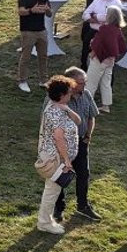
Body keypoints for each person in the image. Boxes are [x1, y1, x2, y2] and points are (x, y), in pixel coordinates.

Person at [53, 68, 102, 223]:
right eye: (81, 82)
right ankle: (58, 208)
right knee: (60, 175)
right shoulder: (57, 98)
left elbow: (91, 116)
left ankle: (82, 205)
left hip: (81, 142)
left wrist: (88, 135)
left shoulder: (86, 94)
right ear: (71, 83)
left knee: (83, 174)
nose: (84, 85)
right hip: (63, 144)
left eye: (85, 82)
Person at [34, 76, 80, 235]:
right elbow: (59, 138)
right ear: (61, 94)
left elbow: (78, 121)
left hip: (58, 157)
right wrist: (67, 160)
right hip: (56, 159)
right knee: (52, 190)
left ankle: (45, 220)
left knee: (52, 189)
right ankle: (44, 222)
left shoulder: (60, 107)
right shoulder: (55, 112)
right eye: (69, 92)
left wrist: (67, 108)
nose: (71, 95)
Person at [16, 0, 52, 93]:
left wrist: (47, 10)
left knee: (43, 56)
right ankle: (22, 80)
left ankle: (43, 80)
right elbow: (21, 12)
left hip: (41, 30)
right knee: (26, 56)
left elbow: (49, 14)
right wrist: (31, 10)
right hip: (28, 31)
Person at [88, 5, 127, 113]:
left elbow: (98, 43)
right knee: (106, 83)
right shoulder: (117, 30)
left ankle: (86, 105)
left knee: (91, 82)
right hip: (110, 60)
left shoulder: (105, 29)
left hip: (100, 59)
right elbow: (120, 45)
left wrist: (93, 52)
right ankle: (106, 106)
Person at [81, 0, 124, 73]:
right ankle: (84, 70)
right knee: (85, 51)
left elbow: (109, 18)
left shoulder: (116, 3)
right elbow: (85, 14)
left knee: (102, 57)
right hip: (92, 31)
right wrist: (94, 18)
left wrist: (95, 16)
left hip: (105, 35)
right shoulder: (97, 0)